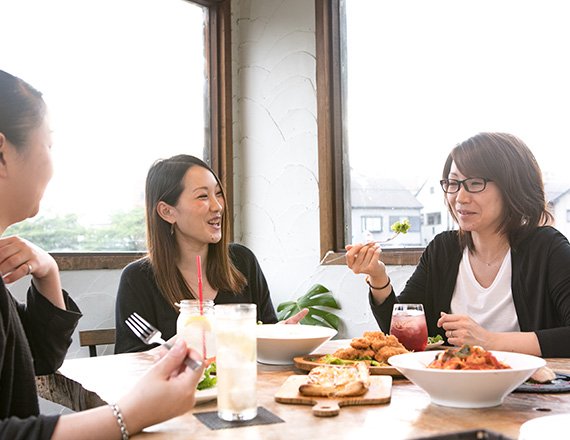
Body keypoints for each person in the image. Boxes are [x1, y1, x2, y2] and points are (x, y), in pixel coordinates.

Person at [0, 69, 205, 439]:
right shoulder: (140, 276)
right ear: (2, 152)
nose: (51, 163)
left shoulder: (243, 262)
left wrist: (48, 271)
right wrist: (129, 415)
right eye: (47, 145)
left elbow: (37, 361)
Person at [347, 132, 570, 358]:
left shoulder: (547, 248)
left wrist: (489, 340)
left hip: (529, 388)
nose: (460, 197)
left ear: (512, 187)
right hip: (450, 383)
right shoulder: (443, 249)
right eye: (453, 183)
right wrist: (378, 277)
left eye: (475, 183)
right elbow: (401, 336)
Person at [114, 154, 307, 354]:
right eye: (203, 196)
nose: (217, 206)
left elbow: (265, 331)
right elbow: (130, 362)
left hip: (242, 383)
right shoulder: (138, 278)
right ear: (167, 212)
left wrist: (278, 335)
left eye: (218, 194)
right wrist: (183, 343)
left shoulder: (242, 261)